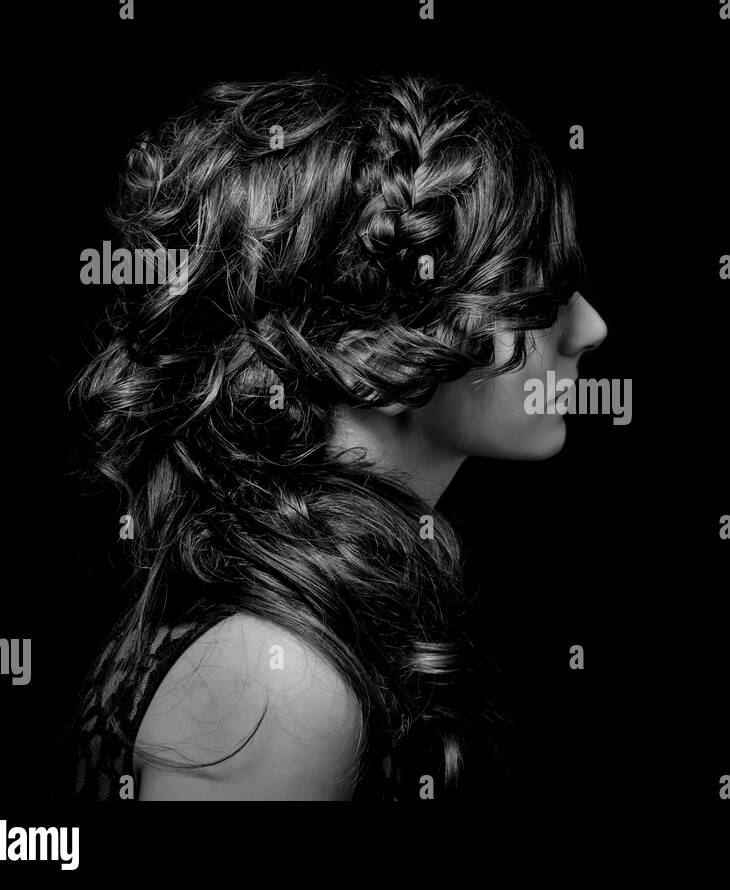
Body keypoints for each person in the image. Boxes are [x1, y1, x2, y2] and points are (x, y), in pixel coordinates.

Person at [65, 72, 607, 800]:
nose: (589, 327)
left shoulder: (291, 633)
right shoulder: (278, 682)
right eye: (528, 283)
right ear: (374, 337)